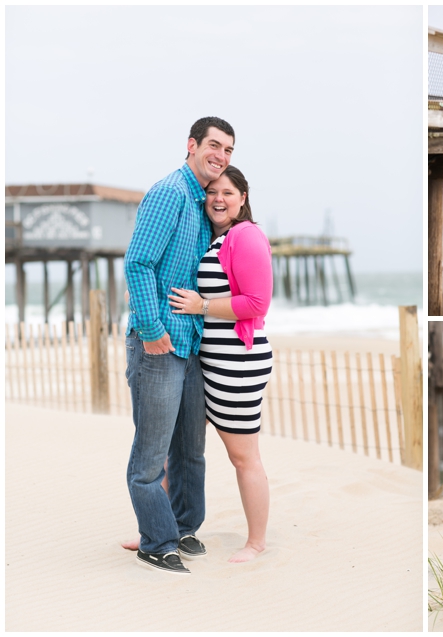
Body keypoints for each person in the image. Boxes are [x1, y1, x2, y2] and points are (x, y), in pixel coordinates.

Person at [124, 116, 235, 574]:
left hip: (190, 345)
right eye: (214, 145)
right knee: (151, 455)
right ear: (191, 145)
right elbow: (138, 263)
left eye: (229, 150)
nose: (221, 156)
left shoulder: (200, 201)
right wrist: (151, 332)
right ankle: (157, 540)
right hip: (159, 345)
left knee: (190, 449)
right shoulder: (170, 192)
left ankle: (184, 526)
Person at [168, 165, 273, 563]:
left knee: (243, 456)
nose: (218, 198)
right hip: (206, 361)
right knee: (174, 449)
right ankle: (160, 530)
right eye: (212, 191)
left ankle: (256, 542)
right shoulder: (214, 238)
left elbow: (258, 303)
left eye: (228, 192)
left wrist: (202, 305)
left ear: (243, 198)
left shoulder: (245, 236)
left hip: (238, 363)